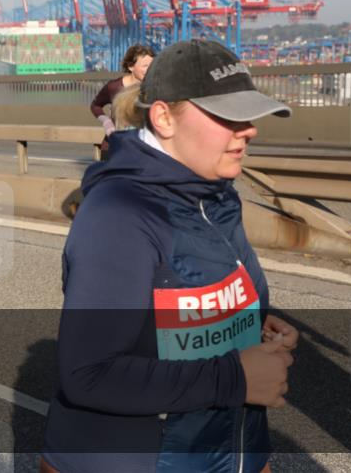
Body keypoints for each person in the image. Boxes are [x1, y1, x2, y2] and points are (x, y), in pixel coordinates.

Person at [42, 40, 300, 472]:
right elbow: (88, 375)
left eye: (249, 115)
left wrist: (251, 321)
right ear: (163, 117)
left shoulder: (217, 194)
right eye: (227, 116)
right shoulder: (118, 215)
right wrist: (236, 378)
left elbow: (183, 307)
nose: (249, 130)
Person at [90, 44, 154, 136]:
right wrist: (106, 122)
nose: (149, 70)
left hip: (141, 144)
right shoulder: (114, 87)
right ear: (131, 67)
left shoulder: (154, 87)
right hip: (116, 143)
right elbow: (95, 106)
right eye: (145, 66)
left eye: (152, 65)